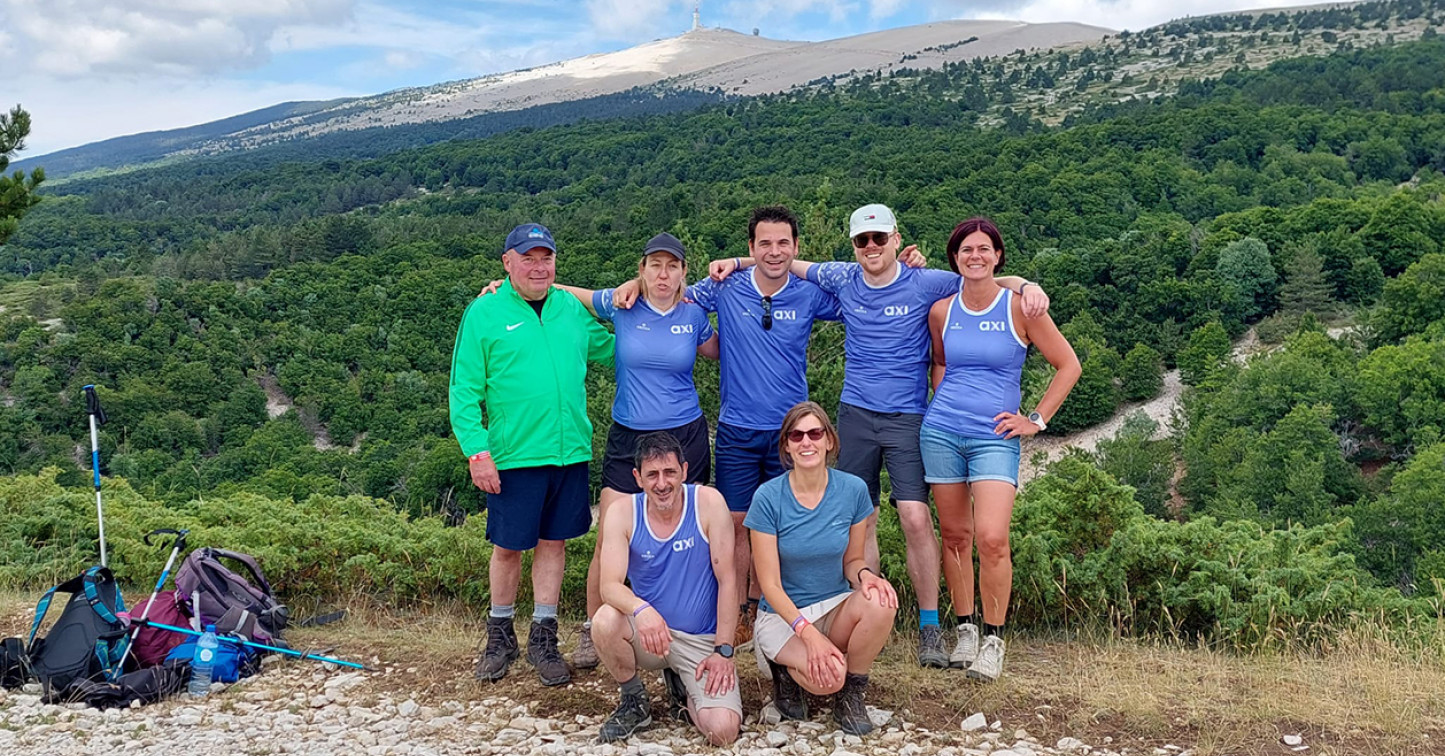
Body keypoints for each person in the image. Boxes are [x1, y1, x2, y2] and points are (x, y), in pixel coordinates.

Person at [709, 204, 1048, 668]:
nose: (871, 247)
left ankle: (930, 626)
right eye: (862, 240)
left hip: (908, 415)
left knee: (914, 517)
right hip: (854, 414)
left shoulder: (925, 279)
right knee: (859, 520)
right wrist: (738, 262)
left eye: (879, 238)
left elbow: (980, 277)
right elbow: (782, 261)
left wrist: (1028, 286)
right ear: (854, 245)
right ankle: (866, 613)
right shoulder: (843, 277)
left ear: (895, 238)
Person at [476, 232, 720, 668]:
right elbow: (571, 294)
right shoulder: (622, 307)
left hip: (685, 433)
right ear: (641, 269)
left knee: (692, 535)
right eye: (653, 265)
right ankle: (593, 630)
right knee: (610, 535)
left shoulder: (694, 311)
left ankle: (690, 629)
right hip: (629, 435)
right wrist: (507, 285)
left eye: (672, 266)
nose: (663, 274)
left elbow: (718, 349)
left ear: (684, 271)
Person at [622, 206, 842, 642]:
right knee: (738, 522)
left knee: (784, 523)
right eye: (764, 244)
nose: (774, 251)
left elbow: (862, 288)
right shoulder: (724, 289)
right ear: (751, 246)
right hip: (738, 428)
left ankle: (770, 608)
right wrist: (634, 282)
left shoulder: (808, 292)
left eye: (783, 243)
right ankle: (740, 609)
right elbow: (666, 294)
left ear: (797, 248)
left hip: (791, 432)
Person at [449, 223, 614, 687]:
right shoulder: (484, 312)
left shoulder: (568, 309)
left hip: (569, 450)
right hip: (513, 454)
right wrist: (476, 452)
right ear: (507, 262)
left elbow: (616, 348)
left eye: (546, 258)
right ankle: (499, 634)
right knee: (508, 547)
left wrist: (653, 319)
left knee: (554, 543)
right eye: (528, 258)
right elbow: (463, 391)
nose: (538, 267)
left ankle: (544, 634)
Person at [923, 216, 1080, 683]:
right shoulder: (941, 311)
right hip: (943, 432)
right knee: (955, 536)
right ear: (955, 257)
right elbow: (940, 361)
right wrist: (939, 407)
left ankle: (994, 638)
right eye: (966, 249)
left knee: (992, 538)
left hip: (996, 436)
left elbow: (1068, 365)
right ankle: (965, 629)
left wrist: (1036, 419)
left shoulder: (1021, 308)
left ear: (997, 257)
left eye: (984, 249)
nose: (975, 256)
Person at [746, 402, 897, 736]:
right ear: (786, 445)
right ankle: (783, 669)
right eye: (796, 435)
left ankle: (852, 694)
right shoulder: (768, 497)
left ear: (829, 440)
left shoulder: (853, 490)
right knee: (826, 679)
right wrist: (808, 635)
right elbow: (769, 584)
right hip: (782, 617)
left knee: (881, 599)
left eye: (815, 433)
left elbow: (853, 562)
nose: (806, 442)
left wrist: (868, 577)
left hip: (832, 606)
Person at [592, 432, 740, 745]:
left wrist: (723, 650)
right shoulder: (622, 513)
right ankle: (634, 701)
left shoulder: (708, 503)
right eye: (652, 474)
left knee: (723, 731)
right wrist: (641, 610)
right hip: (650, 634)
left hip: (701, 639)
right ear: (637, 478)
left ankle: (684, 690)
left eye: (670, 472)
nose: (662, 483)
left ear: (684, 471)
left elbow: (729, 580)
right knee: (605, 620)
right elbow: (609, 586)